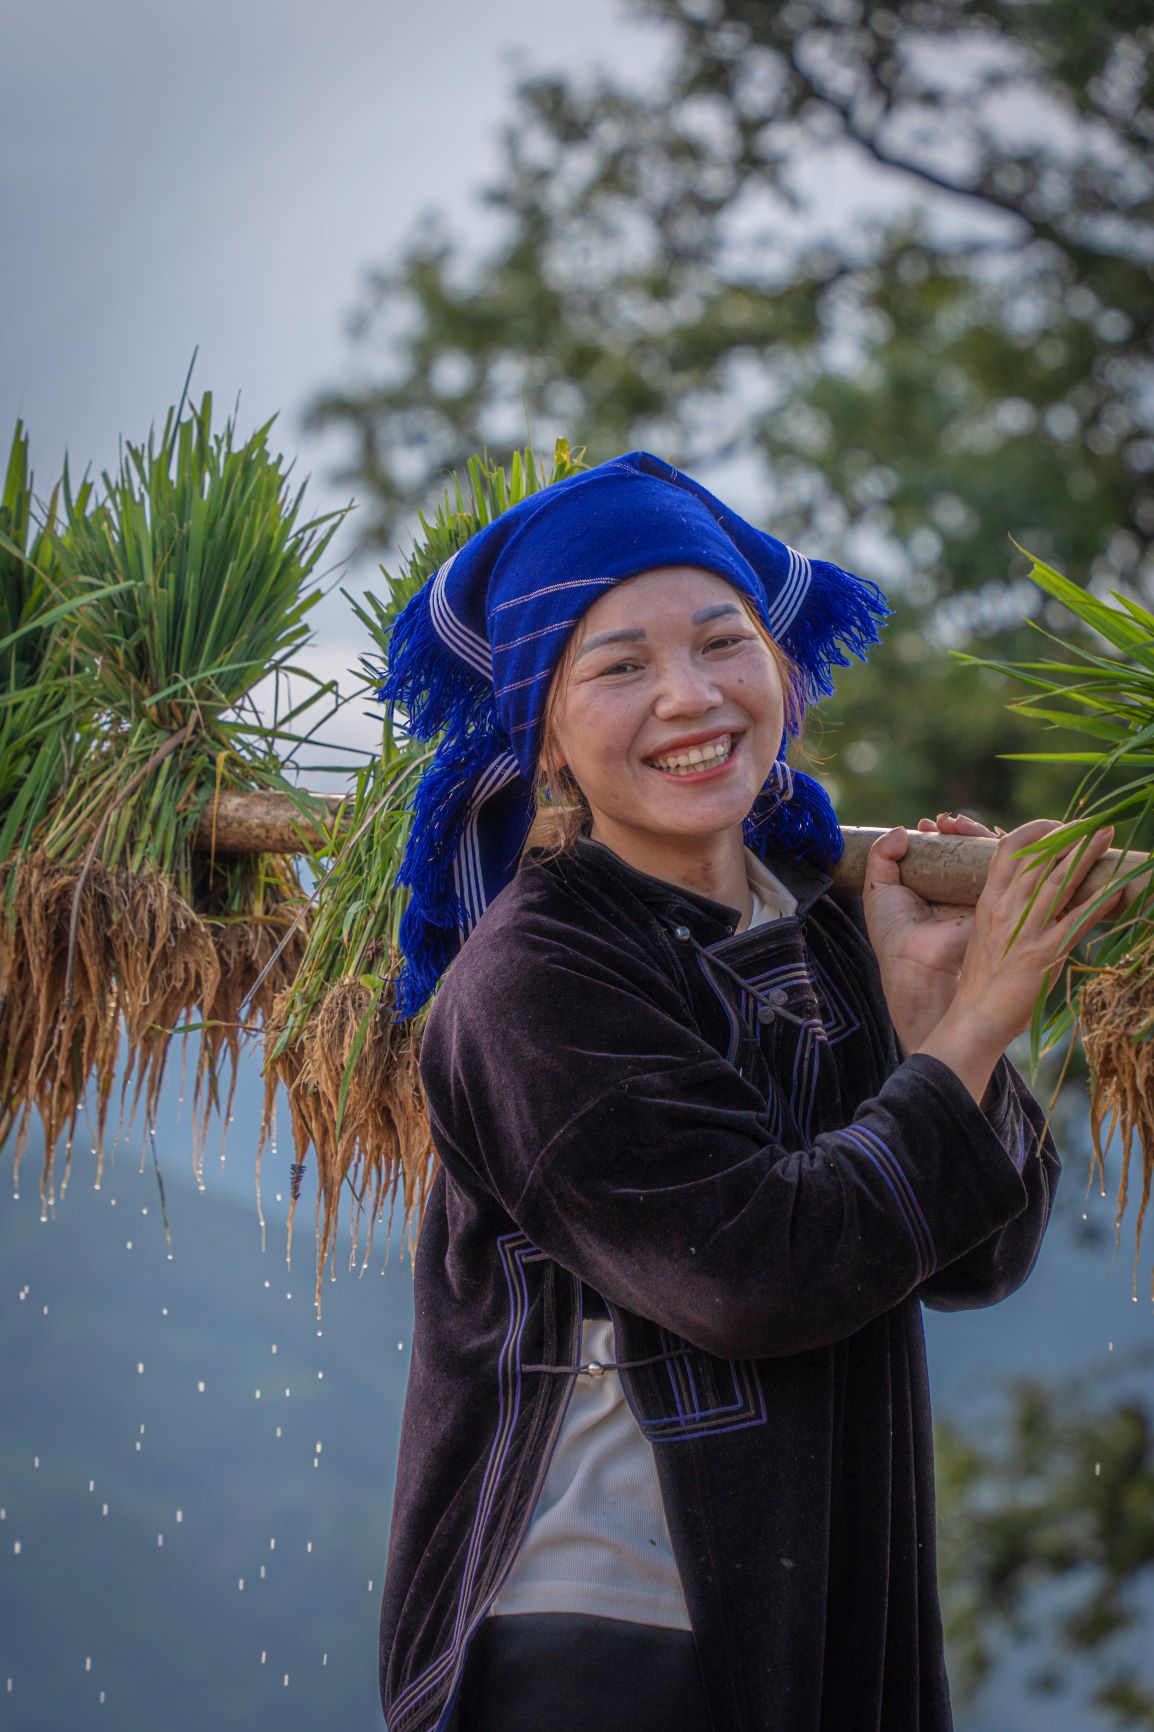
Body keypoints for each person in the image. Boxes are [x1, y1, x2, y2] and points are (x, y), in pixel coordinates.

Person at [375, 451, 1107, 1732]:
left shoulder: (821, 925)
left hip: (812, 1609)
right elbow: (755, 1273)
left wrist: (934, 1012)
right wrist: (991, 1008)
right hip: (597, 1634)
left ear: (782, 672)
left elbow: (970, 1262)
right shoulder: (536, 978)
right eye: (617, 667)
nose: (689, 695)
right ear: (542, 732)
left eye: (723, 643)